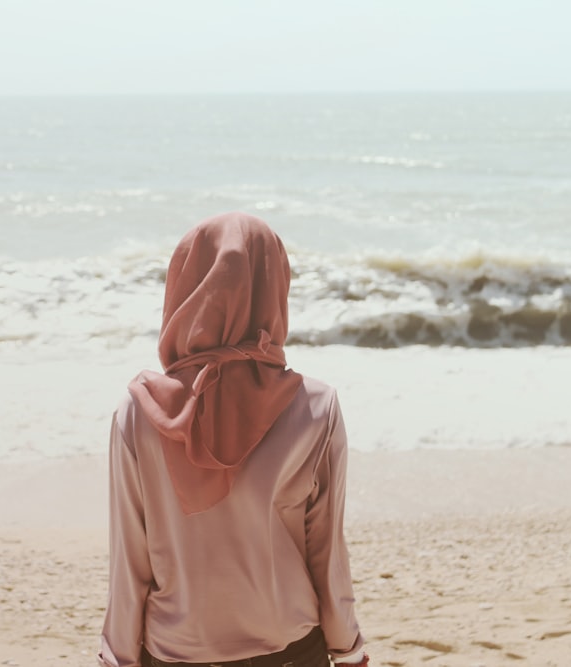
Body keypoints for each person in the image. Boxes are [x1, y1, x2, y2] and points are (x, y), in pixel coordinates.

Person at [98, 212, 368, 667]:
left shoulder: (140, 410)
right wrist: (348, 649)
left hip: (176, 651)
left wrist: (119, 656)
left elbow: (130, 556)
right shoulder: (316, 406)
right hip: (289, 647)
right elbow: (326, 549)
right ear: (275, 288)